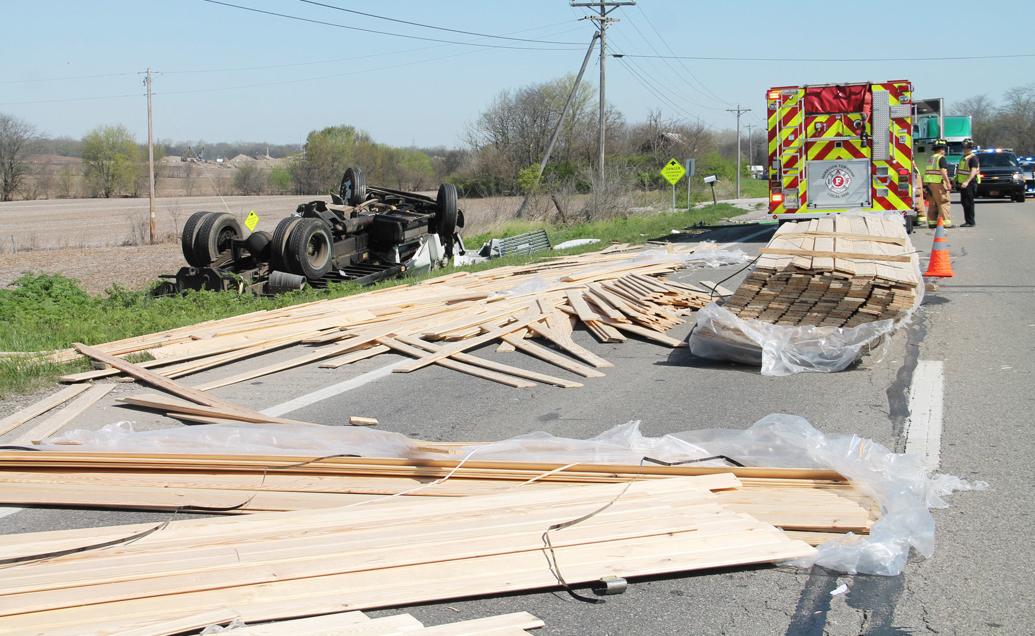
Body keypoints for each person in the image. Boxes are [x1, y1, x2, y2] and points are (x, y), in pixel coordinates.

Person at [923, 140, 953, 228]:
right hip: (938, 184)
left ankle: (932, 222)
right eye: (944, 149)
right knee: (943, 202)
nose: (944, 151)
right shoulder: (941, 158)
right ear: (941, 149)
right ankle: (945, 222)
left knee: (933, 203)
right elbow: (943, 171)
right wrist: (948, 183)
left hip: (930, 183)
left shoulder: (931, 158)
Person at [956, 139, 980, 227]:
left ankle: (970, 222)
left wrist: (966, 182)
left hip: (969, 184)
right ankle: (967, 221)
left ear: (971, 148)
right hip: (963, 184)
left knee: (969, 203)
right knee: (964, 202)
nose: (965, 149)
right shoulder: (964, 157)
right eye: (964, 147)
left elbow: (973, 172)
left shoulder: (973, 158)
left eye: (967, 148)